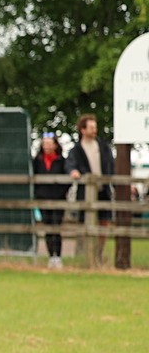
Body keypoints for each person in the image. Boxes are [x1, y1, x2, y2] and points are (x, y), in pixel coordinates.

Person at [65, 114, 115, 264]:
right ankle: (85, 254)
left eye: (95, 127)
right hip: (85, 192)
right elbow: (70, 164)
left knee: (104, 222)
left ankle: (99, 253)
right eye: (91, 127)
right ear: (82, 129)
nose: (95, 130)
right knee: (84, 222)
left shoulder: (103, 146)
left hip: (103, 190)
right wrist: (73, 171)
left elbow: (112, 165)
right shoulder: (76, 149)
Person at [33, 132, 69, 268]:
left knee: (56, 226)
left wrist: (60, 192)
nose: (46, 146)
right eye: (44, 143)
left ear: (55, 145)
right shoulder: (37, 161)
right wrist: (38, 193)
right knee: (47, 227)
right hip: (43, 198)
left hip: (58, 199)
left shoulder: (61, 161)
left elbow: (67, 180)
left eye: (49, 143)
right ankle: (50, 256)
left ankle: (57, 256)